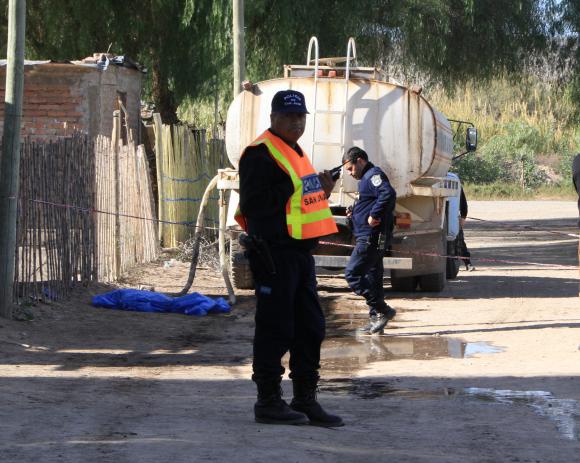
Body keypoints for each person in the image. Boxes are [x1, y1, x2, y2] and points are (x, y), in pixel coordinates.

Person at [236, 89, 344, 427]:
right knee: (275, 328)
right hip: (273, 253)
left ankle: (305, 398)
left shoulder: (295, 152)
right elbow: (255, 205)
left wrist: (321, 191)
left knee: (311, 327)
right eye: (288, 116)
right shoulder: (259, 153)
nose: (296, 122)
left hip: (299, 254)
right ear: (273, 118)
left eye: (300, 117)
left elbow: (302, 203)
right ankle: (268, 401)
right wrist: (298, 187)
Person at [343, 146, 397, 334]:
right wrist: (354, 212)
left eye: (350, 168)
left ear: (360, 161)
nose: (350, 173)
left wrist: (375, 214)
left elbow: (388, 193)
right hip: (368, 236)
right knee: (373, 277)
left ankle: (383, 310)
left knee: (352, 274)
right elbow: (370, 201)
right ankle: (376, 318)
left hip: (370, 237)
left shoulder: (373, 175)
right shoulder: (365, 179)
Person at [458, 187, 475, 271]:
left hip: (454, 220)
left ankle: (468, 263)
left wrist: (463, 217)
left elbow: (463, 203)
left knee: (460, 242)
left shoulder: (457, 185)